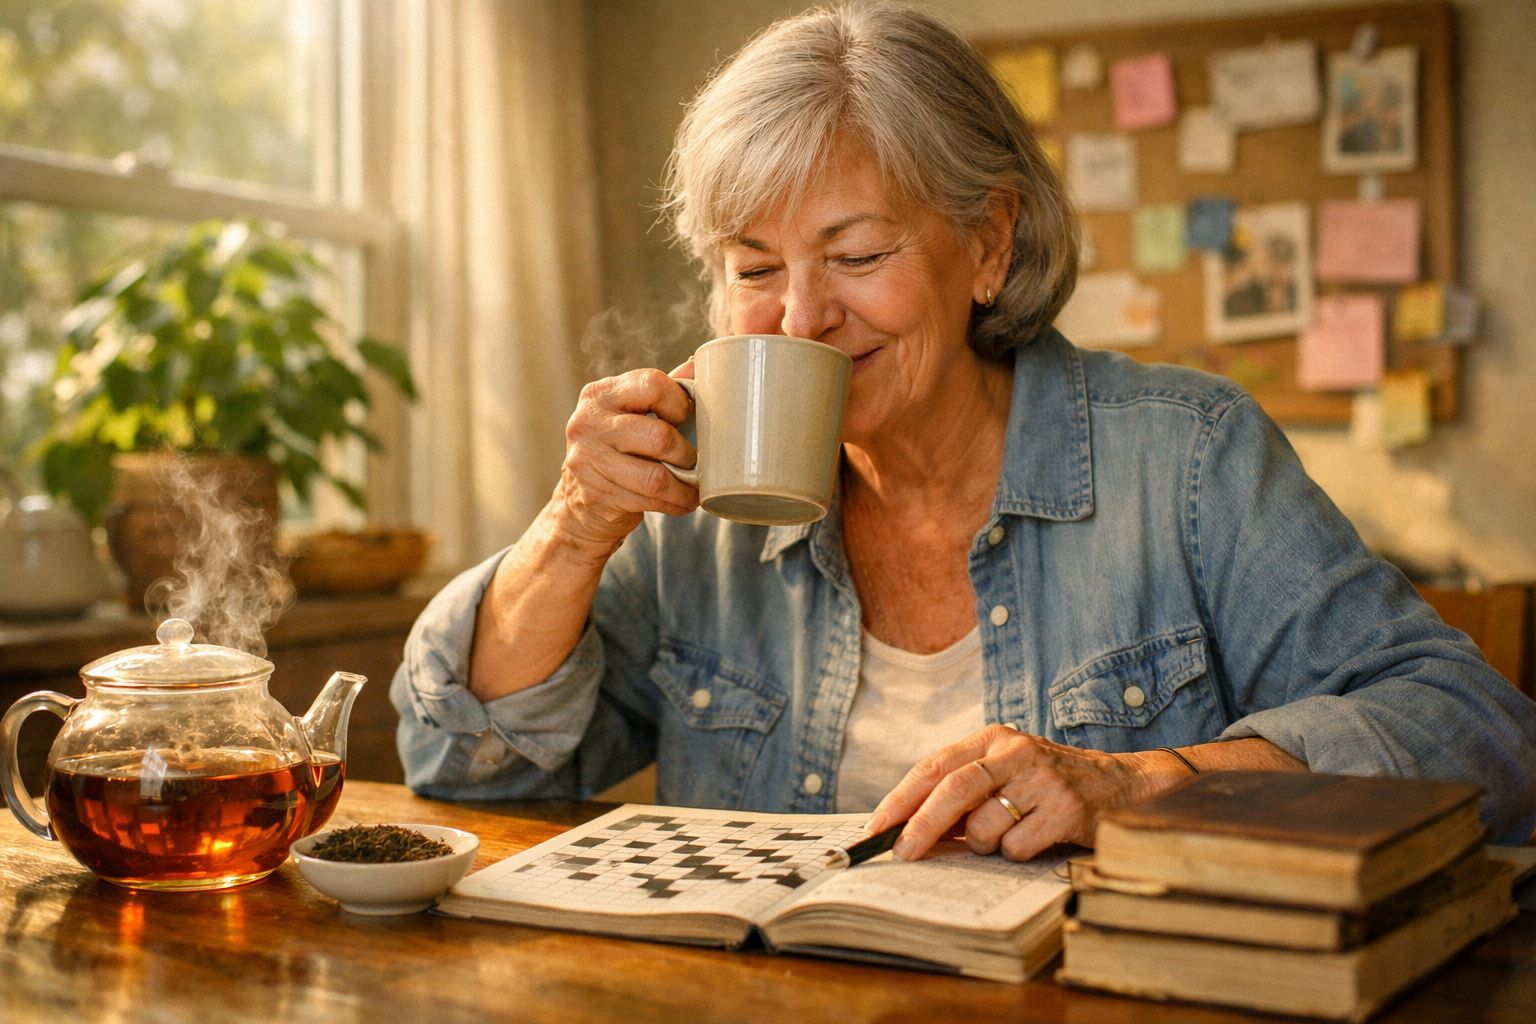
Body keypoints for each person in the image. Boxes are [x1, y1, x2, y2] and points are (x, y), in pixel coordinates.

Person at [391, 3, 1536, 859]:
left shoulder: (1185, 459)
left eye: (857, 254)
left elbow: (1482, 737)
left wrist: (1140, 784)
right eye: (753, 268)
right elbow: (469, 769)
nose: (801, 317)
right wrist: (576, 522)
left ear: (989, 246)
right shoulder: (700, 507)